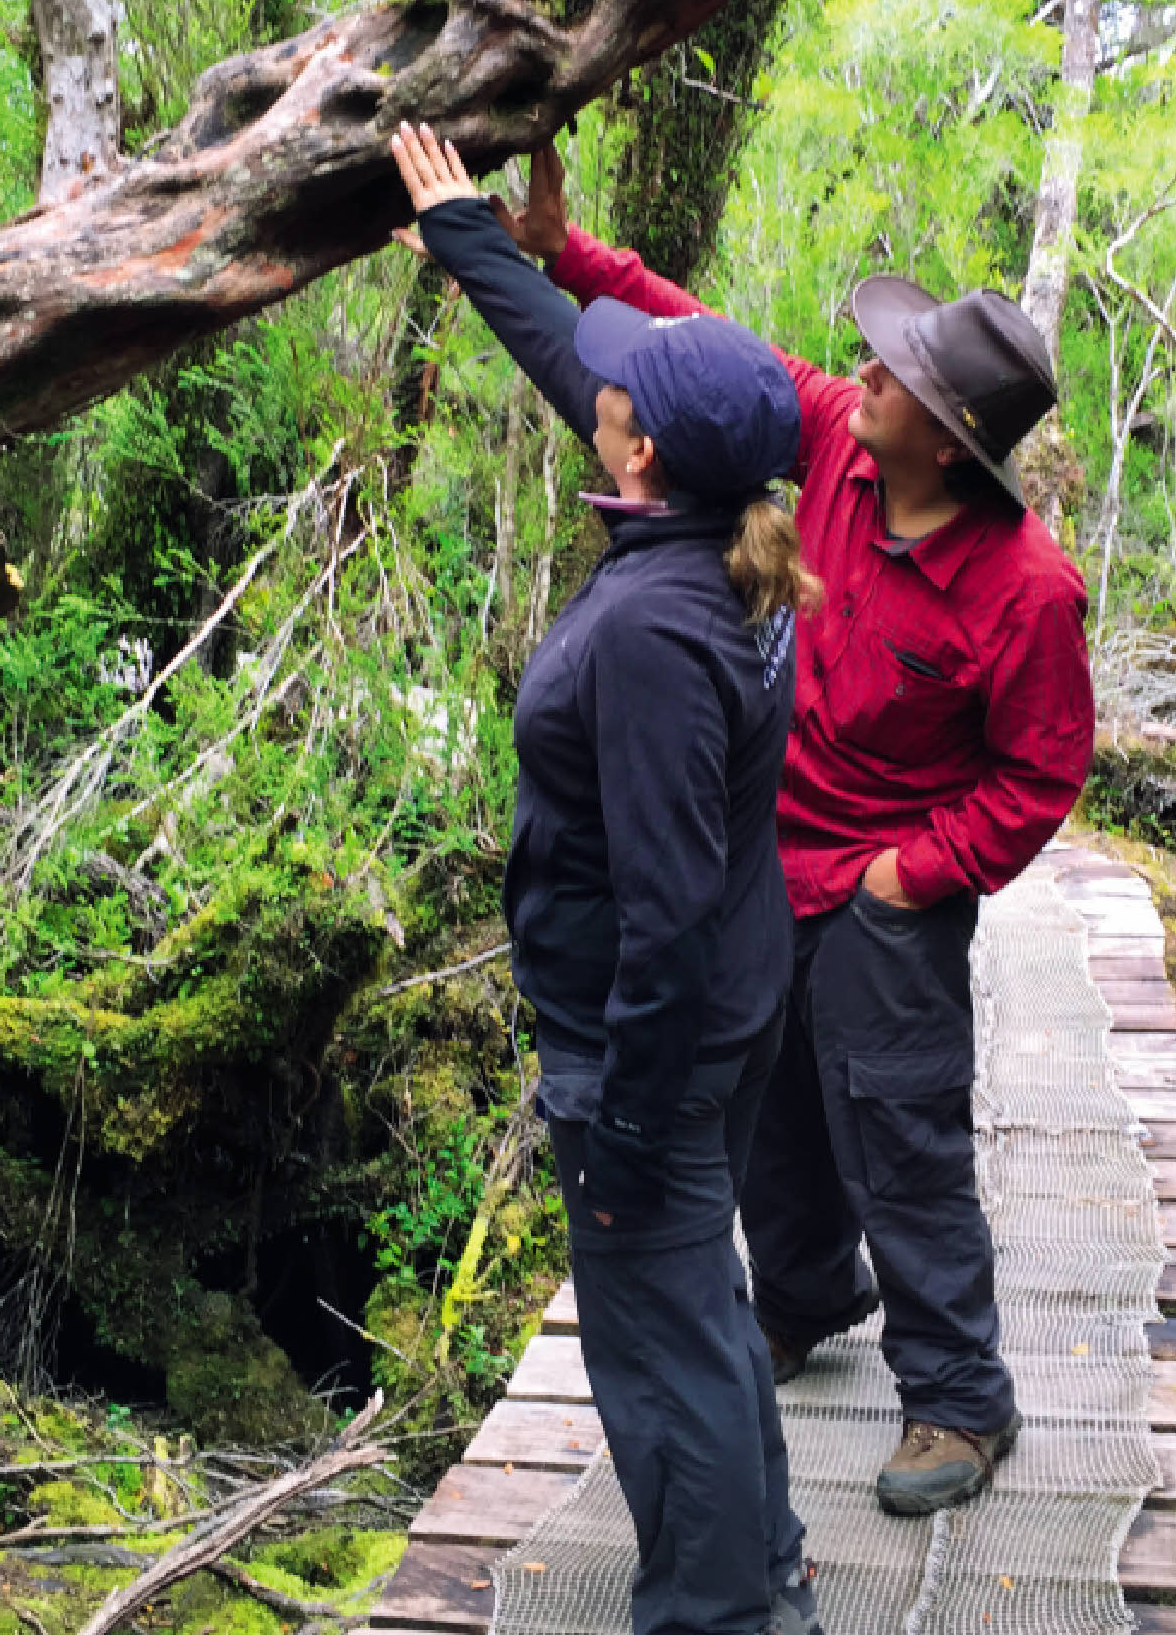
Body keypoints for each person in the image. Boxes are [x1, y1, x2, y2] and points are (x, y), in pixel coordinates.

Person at [488, 146, 1096, 1517]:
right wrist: (561, 252)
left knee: (901, 1133)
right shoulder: (829, 441)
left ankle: (956, 1397)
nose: (859, 375)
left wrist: (912, 874)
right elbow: (700, 335)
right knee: (769, 1123)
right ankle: (810, 1297)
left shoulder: (1026, 590)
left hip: (887, 893)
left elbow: (1043, 773)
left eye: (895, 377)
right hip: (763, 857)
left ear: (946, 435)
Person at [387, 124, 824, 1635]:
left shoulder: (652, 634)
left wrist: (627, 1104)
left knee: (656, 1334)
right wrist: (468, 242)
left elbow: (664, 906)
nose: (601, 382)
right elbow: (573, 365)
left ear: (644, 453)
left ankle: (719, 1610)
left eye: (620, 388)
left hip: (657, 1038)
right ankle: (763, 1567)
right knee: (698, 1304)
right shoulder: (717, 530)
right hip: (732, 1005)